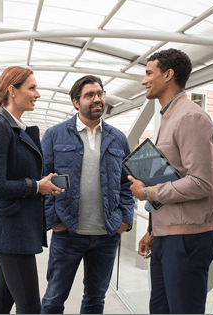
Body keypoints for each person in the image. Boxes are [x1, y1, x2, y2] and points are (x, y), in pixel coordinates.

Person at [128, 48, 213, 314]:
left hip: (187, 240)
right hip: (166, 236)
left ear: (168, 75)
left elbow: (202, 183)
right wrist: (152, 231)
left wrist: (148, 191)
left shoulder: (190, 117)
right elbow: (176, 174)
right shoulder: (168, 116)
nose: (144, 80)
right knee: (160, 309)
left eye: (149, 73)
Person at [40, 75, 134, 314]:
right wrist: (54, 221)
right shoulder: (54, 135)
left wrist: (125, 220)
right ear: (76, 102)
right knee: (53, 299)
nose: (97, 99)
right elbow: (43, 180)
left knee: (95, 300)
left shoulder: (118, 138)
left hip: (107, 234)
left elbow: (127, 183)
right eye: (89, 95)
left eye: (100, 93)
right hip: (68, 232)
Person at [0, 66, 64, 314]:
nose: (37, 94)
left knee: (3, 301)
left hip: (16, 228)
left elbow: (13, 176)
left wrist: (43, 183)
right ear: (12, 91)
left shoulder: (13, 127)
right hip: (10, 231)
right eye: (32, 88)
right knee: (30, 307)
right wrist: (37, 186)